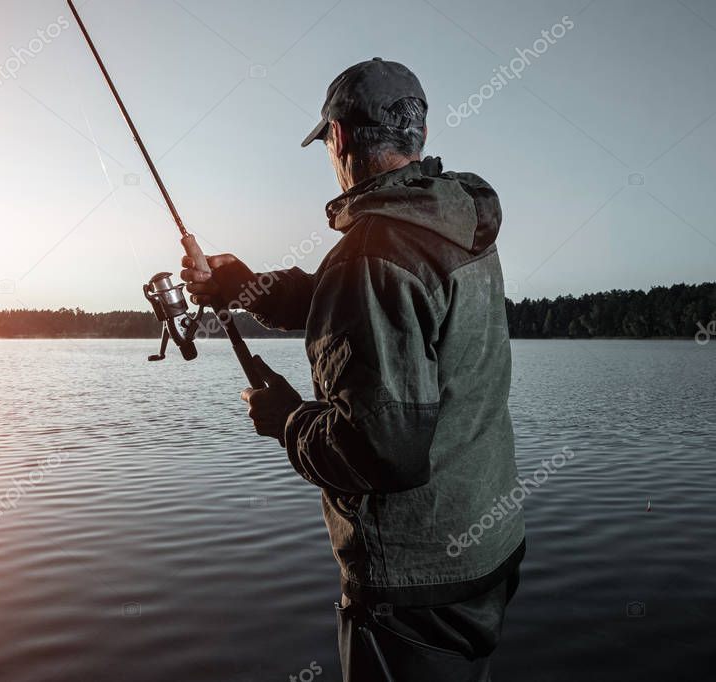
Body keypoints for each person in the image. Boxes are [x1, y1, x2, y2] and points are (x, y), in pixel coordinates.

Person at [180, 58, 525, 681]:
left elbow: (380, 453)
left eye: (327, 143)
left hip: (415, 584)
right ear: (415, 134)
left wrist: (287, 419)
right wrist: (240, 283)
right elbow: (368, 310)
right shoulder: (451, 222)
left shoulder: (371, 253)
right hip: (485, 550)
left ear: (337, 138)